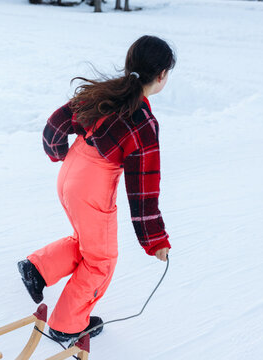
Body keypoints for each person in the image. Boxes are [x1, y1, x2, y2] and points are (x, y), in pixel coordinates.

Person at [18, 35, 176, 342]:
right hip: (91, 190)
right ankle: (68, 324)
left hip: (69, 175)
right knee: (101, 260)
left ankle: (37, 269)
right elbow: (143, 191)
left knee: (90, 245)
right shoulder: (142, 122)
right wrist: (155, 239)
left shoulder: (106, 93)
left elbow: (54, 124)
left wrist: (57, 153)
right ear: (161, 76)